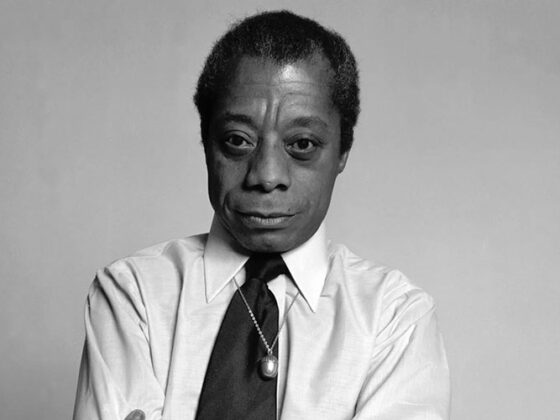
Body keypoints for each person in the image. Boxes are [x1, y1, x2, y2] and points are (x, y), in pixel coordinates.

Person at [73, 10, 450, 420]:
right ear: (206, 143)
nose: (266, 176)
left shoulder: (394, 319)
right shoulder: (134, 295)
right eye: (238, 140)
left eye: (302, 144)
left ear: (343, 151)